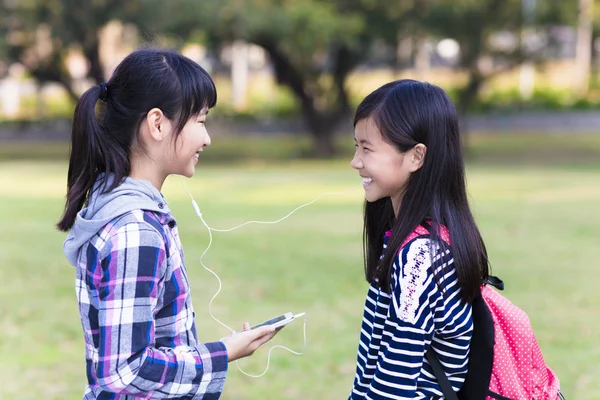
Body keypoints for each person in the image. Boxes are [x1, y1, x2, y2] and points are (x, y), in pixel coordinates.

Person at [57, 48, 278, 400]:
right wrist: (224, 352)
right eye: (201, 121)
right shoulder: (135, 230)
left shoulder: (120, 207)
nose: (206, 138)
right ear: (157, 124)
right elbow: (124, 371)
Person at [348, 79, 490, 399]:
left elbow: (394, 386)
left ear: (416, 156)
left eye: (366, 148)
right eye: (356, 146)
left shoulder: (420, 257)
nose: (355, 162)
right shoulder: (409, 239)